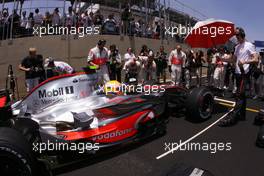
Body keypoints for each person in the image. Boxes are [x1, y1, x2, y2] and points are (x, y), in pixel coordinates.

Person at [219, 27, 258, 126]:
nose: (236, 37)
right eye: (235, 35)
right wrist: (223, 59)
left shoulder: (249, 45)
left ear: (242, 34)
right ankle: (242, 115)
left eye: (237, 35)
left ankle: (232, 118)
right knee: (242, 95)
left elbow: (255, 59)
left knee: (239, 95)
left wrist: (245, 61)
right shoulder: (237, 47)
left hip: (244, 73)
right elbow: (233, 60)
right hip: (237, 73)